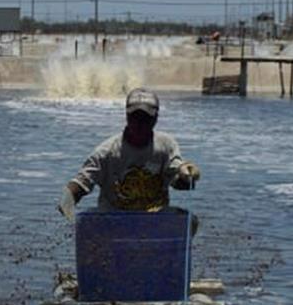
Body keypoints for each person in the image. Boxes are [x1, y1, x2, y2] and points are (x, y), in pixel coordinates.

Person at [57, 88, 201, 221]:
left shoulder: (166, 146)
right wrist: (67, 200)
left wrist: (188, 175)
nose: (139, 124)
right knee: (88, 221)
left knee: (190, 220)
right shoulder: (106, 152)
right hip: (114, 219)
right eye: (134, 118)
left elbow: (178, 183)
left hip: (154, 218)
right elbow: (81, 184)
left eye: (145, 119)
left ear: (155, 118)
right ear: (127, 116)